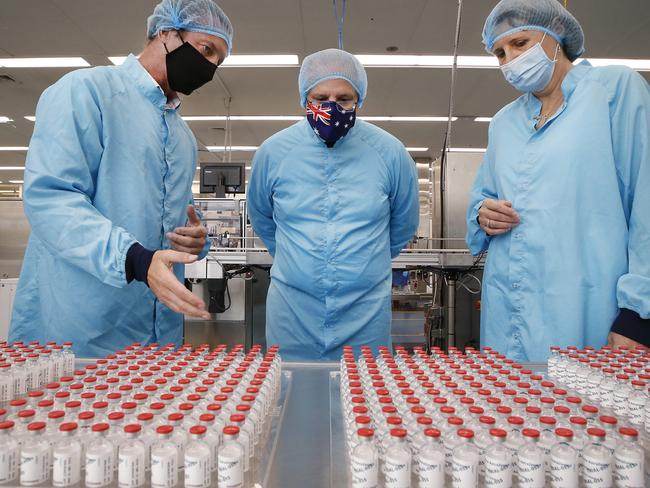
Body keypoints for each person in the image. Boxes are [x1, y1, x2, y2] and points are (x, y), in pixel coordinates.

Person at [9, 0, 234, 357]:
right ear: (166, 33)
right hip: (82, 328)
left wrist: (194, 240)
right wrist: (135, 259)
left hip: (159, 333)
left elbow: (173, 217)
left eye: (217, 61)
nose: (208, 67)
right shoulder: (87, 92)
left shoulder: (182, 137)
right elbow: (52, 200)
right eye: (205, 50)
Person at [466, 0, 650, 361]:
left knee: (584, 412)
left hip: (588, 309)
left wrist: (638, 315)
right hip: (508, 308)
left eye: (520, 44)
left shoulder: (615, 91)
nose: (510, 60)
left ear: (556, 35)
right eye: (499, 53)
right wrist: (482, 214)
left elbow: (647, 205)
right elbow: (482, 196)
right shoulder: (504, 122)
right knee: (509, 409)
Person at [247, 49, 419, 361]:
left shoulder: (390, 153)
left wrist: (360, 264)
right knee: (290, 401)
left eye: (343, 99)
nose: (331, 107)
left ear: (359, 100)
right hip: (293, 315)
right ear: (304, 99)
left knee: (366, 402)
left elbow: (403, 225)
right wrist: (300, 262)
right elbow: (262, 218)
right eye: (320, 97)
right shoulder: (273, 153)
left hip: (365, 317)